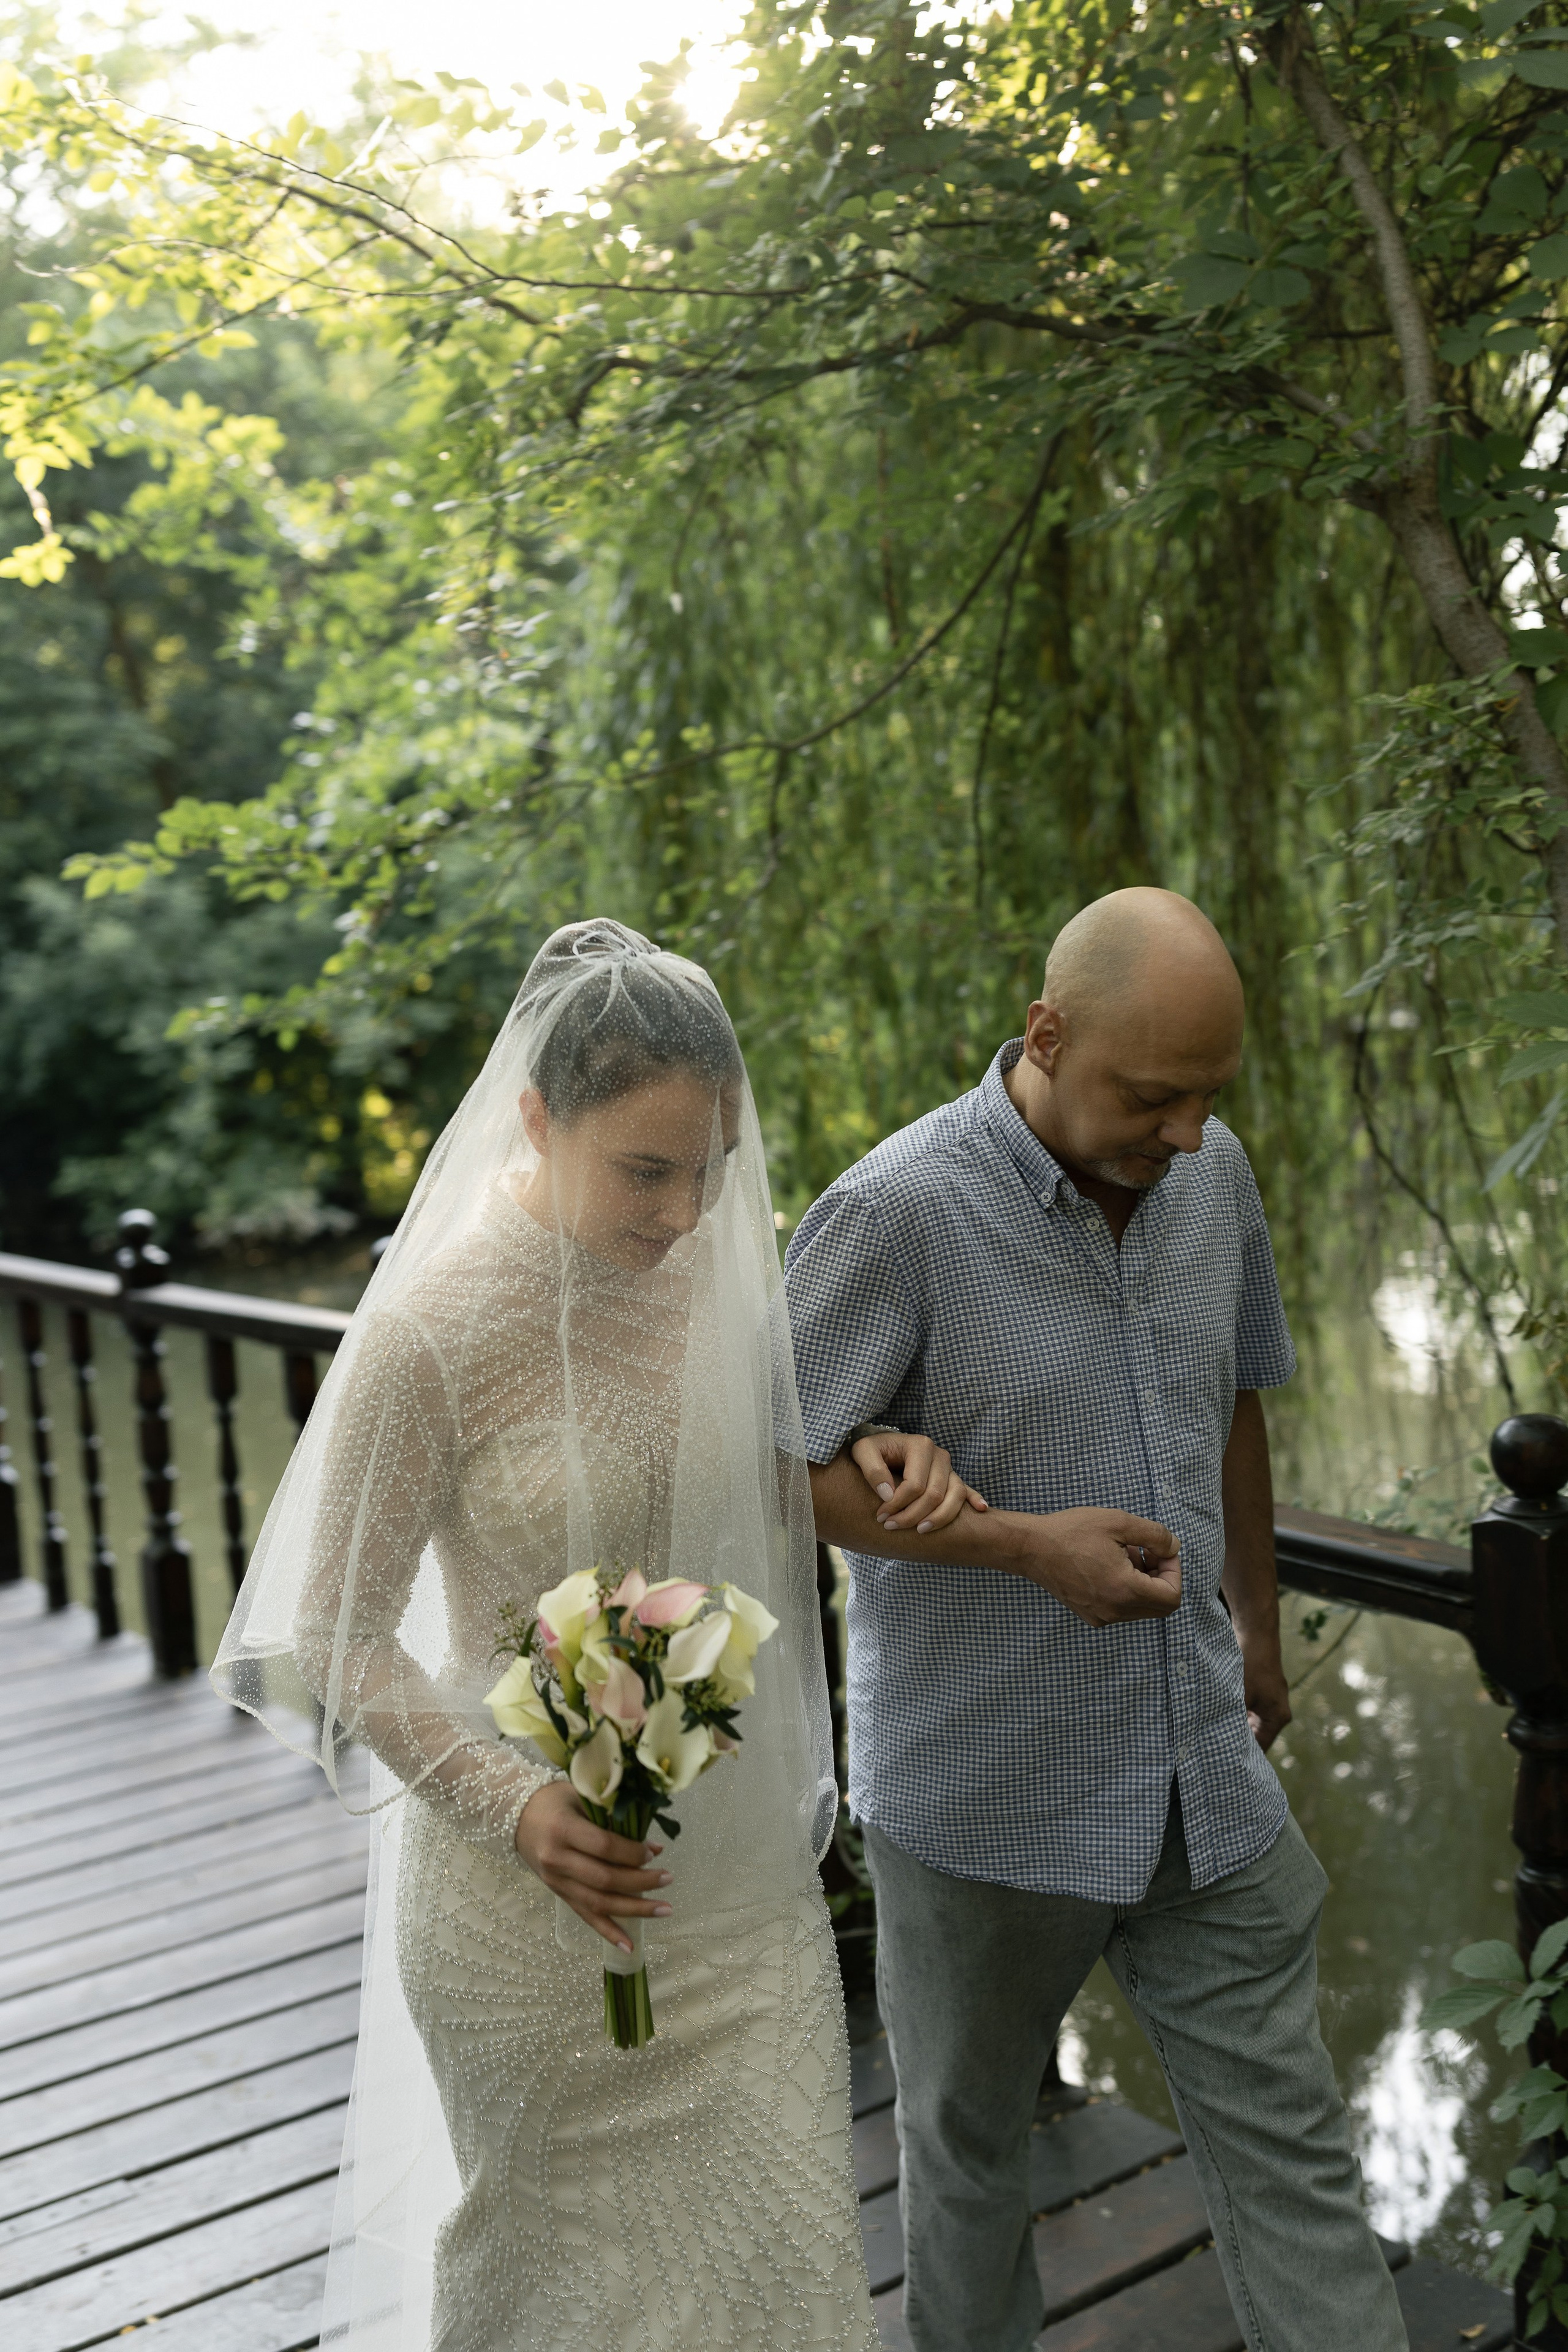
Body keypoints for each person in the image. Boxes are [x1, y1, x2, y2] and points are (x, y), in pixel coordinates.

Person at [213, 921, 930, 2352]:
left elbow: (769, 1479)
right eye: (646, 1170)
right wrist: (517, 1801)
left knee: (791, 2263)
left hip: (733, 1900)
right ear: (536, 1120)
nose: (681, 1214)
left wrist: (889, 1448)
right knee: (564, 2291)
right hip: (519, 1908)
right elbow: (341, 1638)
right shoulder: (427, 1335)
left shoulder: (724, 1280)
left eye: (710, 1169)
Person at [784, 888, 1408, 2352]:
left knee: (1295, 2154)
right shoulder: (891, 1214)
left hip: (1201, 1766)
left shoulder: (1215, 1174)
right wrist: (1017, 1545)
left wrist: (1255, 1629)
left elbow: (1231, 1402)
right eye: (1150, 1095)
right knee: (968, 2163)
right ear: (1046, 1034)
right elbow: (784, 1470)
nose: (1185, 1134)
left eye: (1207, 1096)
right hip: (979, 1795)